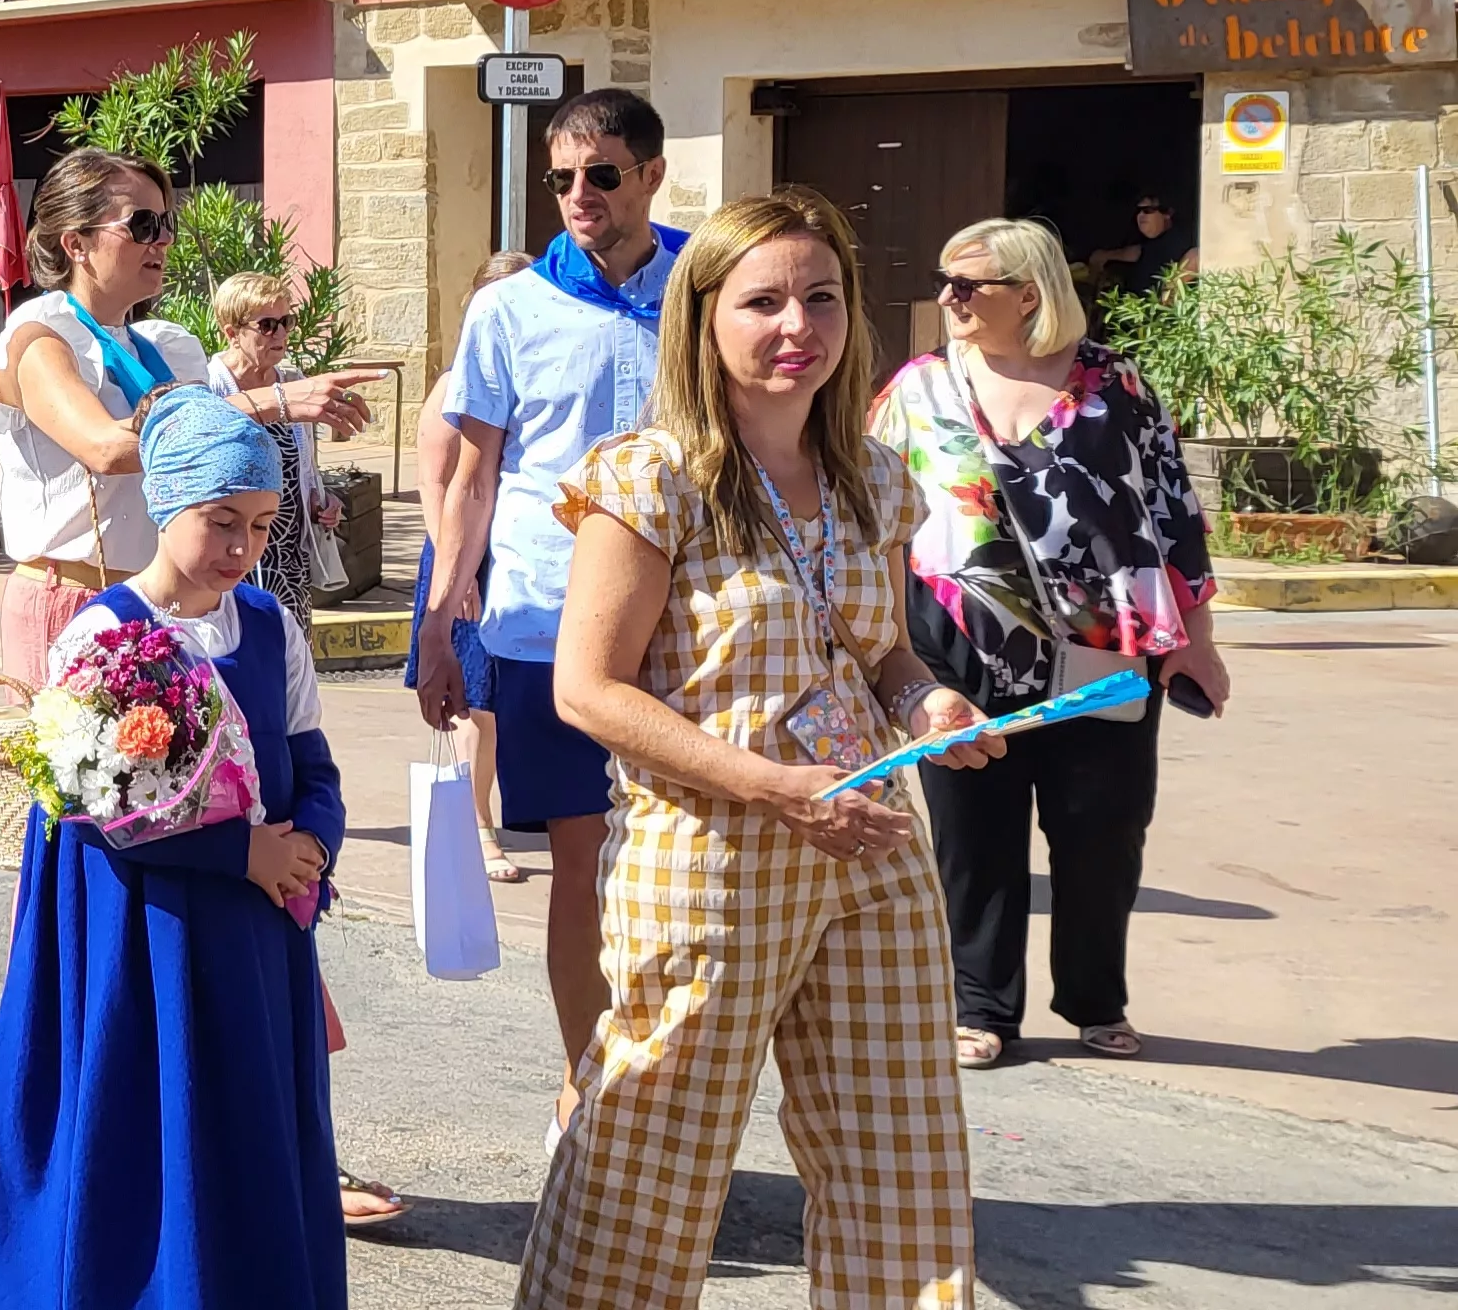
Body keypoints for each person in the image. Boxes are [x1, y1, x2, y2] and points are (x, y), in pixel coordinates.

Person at [522, 188, 994, 1310]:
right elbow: (586, 690)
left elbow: (884, 659)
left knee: (902, 1156)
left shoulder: (871, 478)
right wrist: (774, 786)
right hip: (709, 859)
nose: (799, 327)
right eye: (765, 301)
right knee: (652, 1156)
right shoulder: (647, 477)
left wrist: (931, 705)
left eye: (820, 299)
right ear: (704, 319)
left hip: (870, 845)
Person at [0, 385, 348, 1310]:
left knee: (245, 1129)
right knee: (150, 1124)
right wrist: (237, 856)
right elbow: (96, 813)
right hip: (146, 941)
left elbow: (314, 765)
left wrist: (312, 850)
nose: (242, 550)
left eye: (259, 524)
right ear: (168, 505)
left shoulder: (271, 628)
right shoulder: (105, 635)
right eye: (221, 523)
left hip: (252, 942)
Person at [874, 217, 1229, 1071]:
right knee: (974, 836)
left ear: (1029, 295)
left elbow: (1175, 516)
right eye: (944, 281)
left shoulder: (1118, 387)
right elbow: (873, 517)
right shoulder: (918, 388)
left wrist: (1198, 640)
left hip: (1106, 649)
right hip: (961, 644)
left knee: (1102, 832)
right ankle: (981, 1005)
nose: (949, 298)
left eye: (970, 285)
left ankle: (1096, 999)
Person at [417, 87, 680, 1104]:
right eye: (562, 177)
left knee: (672, 869)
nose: (577, 195)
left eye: (600, 175)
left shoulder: (705, 286)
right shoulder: (509, 307)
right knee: (582, 859)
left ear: (650, 176)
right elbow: (469, 477)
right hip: (542, 622)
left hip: (680, 622)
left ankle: (671, 1080)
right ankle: (588, 1082)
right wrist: (442, 622)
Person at [0, 149, 375, 682]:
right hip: (73, 602)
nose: (162, 239)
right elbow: (106, 448)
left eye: (165, 223)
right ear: (76, 243)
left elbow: (202, 457)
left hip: (163, 602)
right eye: (141, 224)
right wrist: (272, 403)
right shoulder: (40, 337)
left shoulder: (163, 348)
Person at [403, 249, 540, 885]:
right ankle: (478, 826)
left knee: (509, 701)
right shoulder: (454, 385)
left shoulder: (529, 375)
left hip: (513, 552)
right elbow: (436, 488)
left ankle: (517, 809)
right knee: (474, 704)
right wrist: (457, 580)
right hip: (467, 559)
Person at [209, 271, 349, 618]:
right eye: (268, 325)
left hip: (289, 558)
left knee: (290, 662)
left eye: (287, 321)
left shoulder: (294, 383)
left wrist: (323, 501)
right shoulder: (211, 386)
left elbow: (304, 468)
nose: (282, 334)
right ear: (233, 333)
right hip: (232, 556)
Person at [1085, 196, 1196, 301]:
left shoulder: (1182, 237)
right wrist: (1106, 255)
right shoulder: (1153, 240)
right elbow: (1139, 251)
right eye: (1138, 211)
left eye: (1147, 210)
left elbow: (1196, 255)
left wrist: (1170, 294)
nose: (1141, 215)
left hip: (1159, 314)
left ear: (1167, 213)